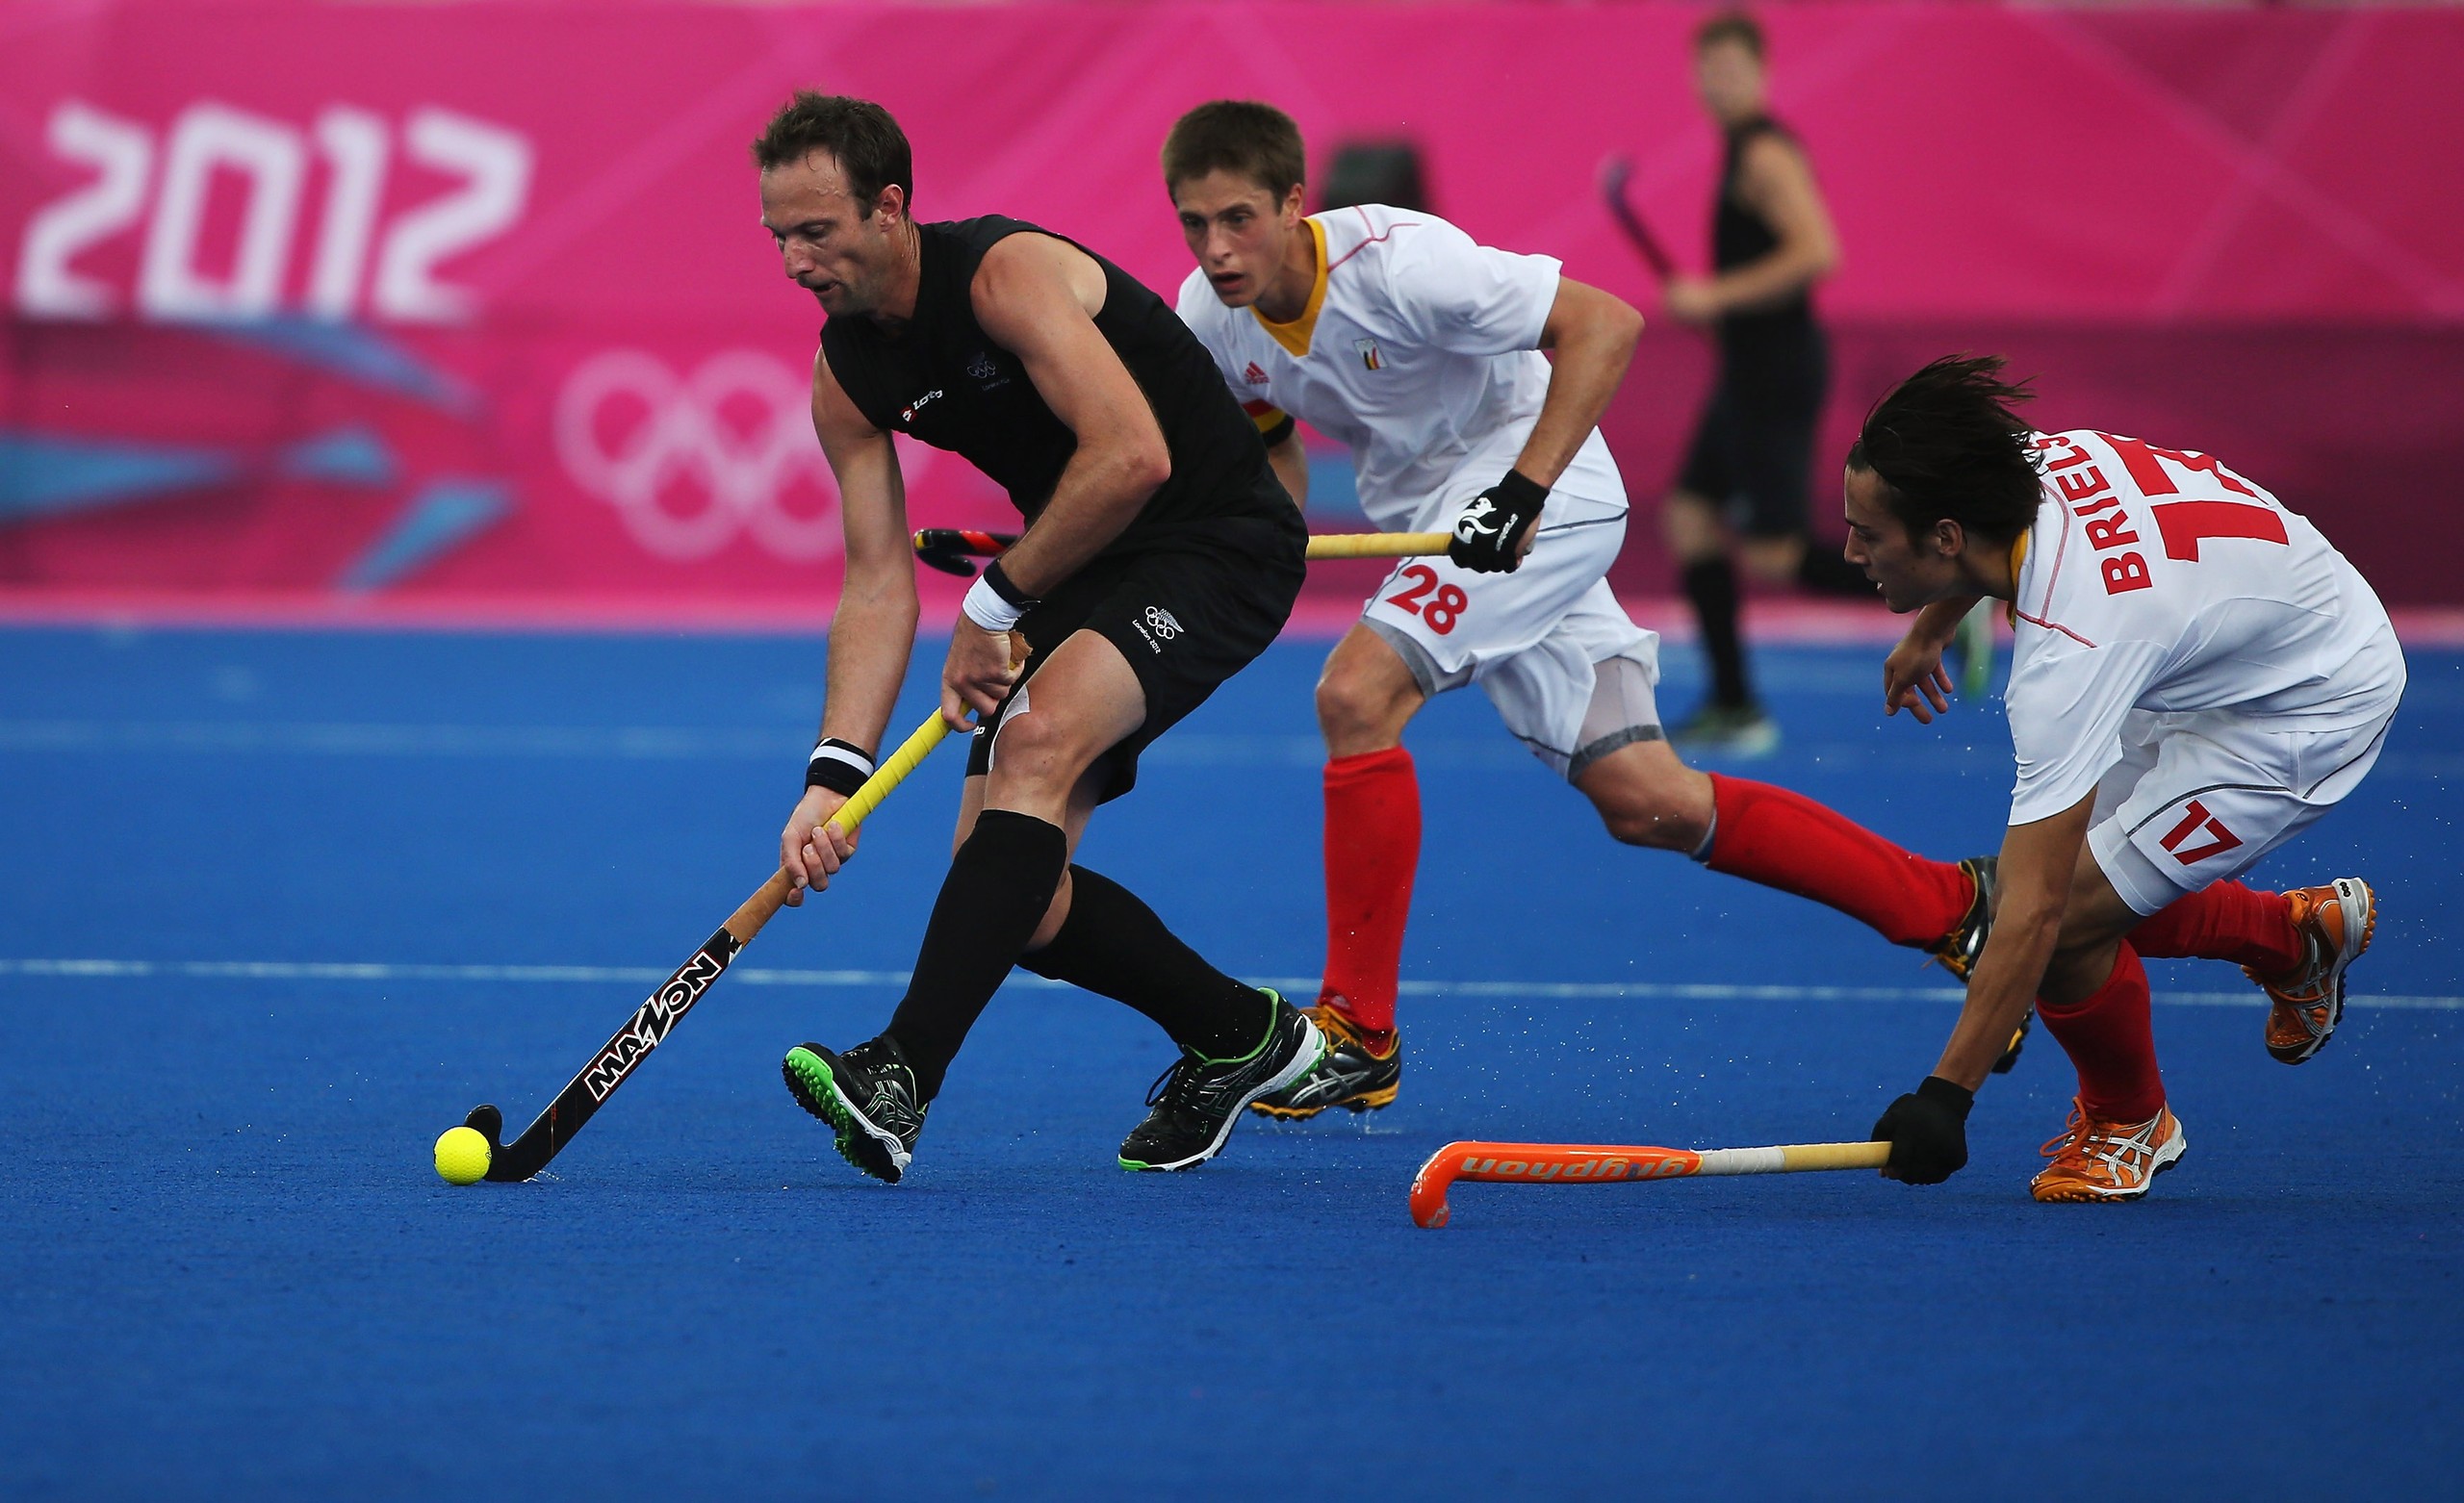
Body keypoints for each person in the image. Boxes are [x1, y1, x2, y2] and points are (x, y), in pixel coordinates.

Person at [1160, 100, 2012, 1121]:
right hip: (1448, 530)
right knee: (1648, 801)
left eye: (1239, 219)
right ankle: (1953, 905)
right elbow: (1270, 447)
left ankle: (1357, 1032)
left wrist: (1520, 491)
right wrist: (1263, 541)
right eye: (1194, 224)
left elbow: (1607, 324)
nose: (1217, 248)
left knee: (1356, 695)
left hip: (1544, 498)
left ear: (1294, 203)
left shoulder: (1402, 264)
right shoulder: (1209, 318)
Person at [754, 92, 1326, 1183]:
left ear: (889, 208)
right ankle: (1244, 1034)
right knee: (1011, 893)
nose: (795, 261)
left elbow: (1132, 455)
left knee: (1036, 742)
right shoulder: (845, 377)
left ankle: (900, 1073)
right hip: (1083, 562)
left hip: (1216, 543)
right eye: (778, 236)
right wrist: (834, 775)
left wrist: (992, 605)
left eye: (816, 231)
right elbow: (875, 584)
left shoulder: (1001, 276)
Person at [1856, 357, 2402, 1202]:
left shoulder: (2070, 654)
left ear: (1945, 537)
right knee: (2088, 888)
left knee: (2064, 916)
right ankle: (2295, 938)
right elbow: (1980, 541)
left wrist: (1945, 1098)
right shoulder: (2019, 465)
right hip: (2217, 646)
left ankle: (2129, 1121)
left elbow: (2034, 909)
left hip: (2306, 706)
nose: (1850, 550)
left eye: (1868, 534)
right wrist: (1935, 625)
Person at [1658, 10, 1912, 752]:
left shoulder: (1765, 152)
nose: (1718, 83)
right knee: (1690, 515)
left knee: (1773, 553)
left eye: (1733, 69)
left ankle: (1943, 592)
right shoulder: (1739, 148)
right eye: (1709, 69)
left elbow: (1817, 253)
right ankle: (1734, 703)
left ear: (1762, 74)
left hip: (1773, 372)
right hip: (1746, 370)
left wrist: (1713, 295)